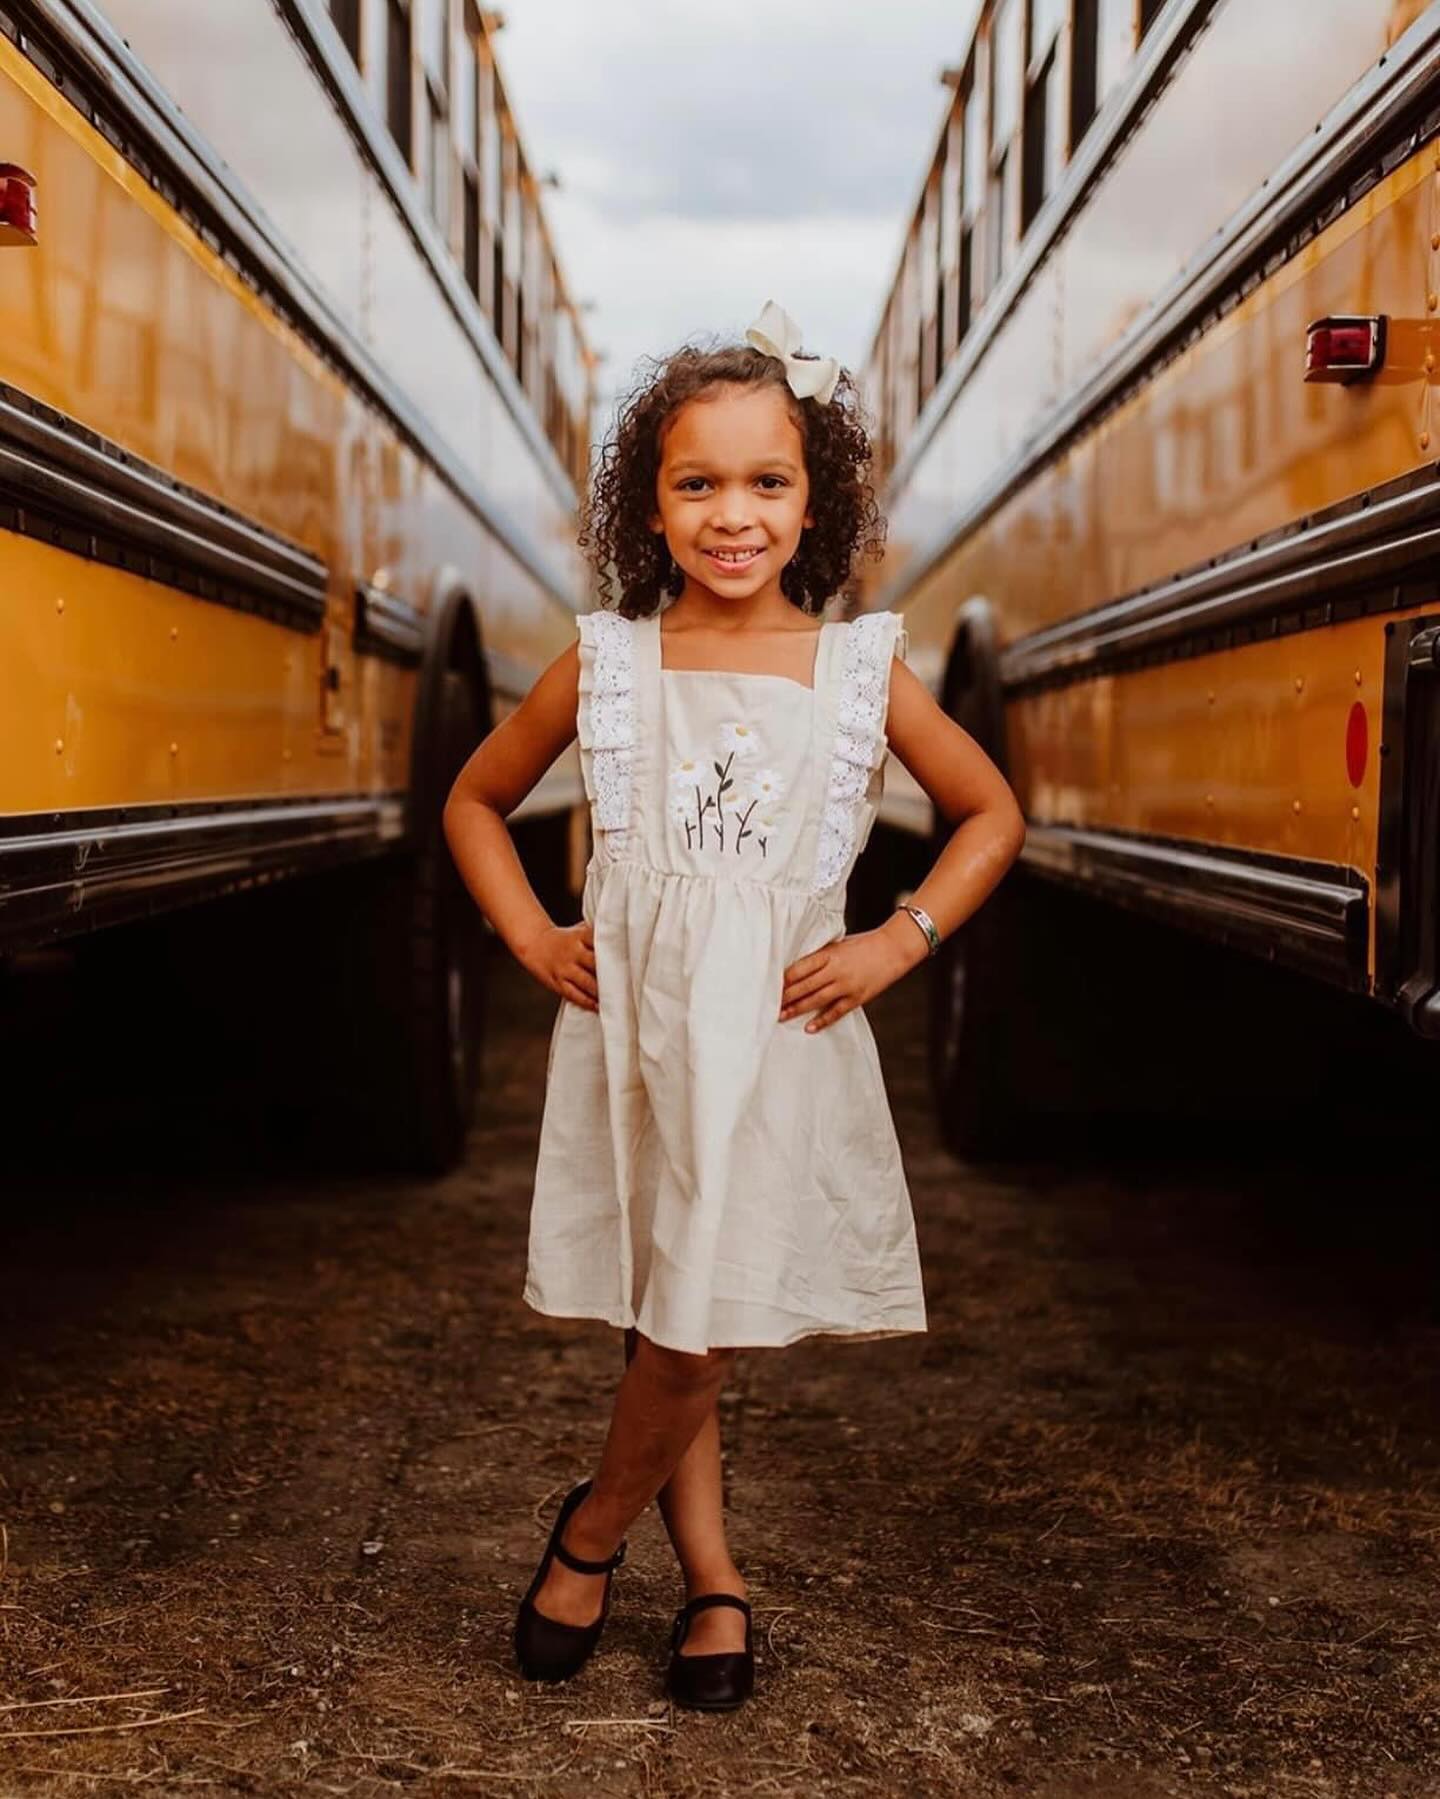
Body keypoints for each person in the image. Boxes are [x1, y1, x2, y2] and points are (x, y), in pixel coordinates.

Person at [442, 300, 1026, 1711]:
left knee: (696, 1320)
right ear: (649, 503)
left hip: (774, 1039)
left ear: (812, 497)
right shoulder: (613, 662)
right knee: (672, 1306)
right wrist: (530, 930)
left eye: (767, 482)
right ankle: (713, 1578)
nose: (732, 515)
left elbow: (989, 810)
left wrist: (899, 940)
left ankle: (587, 1536)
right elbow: (472, 798)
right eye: (696, 483)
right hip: (642, 1033)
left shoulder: (857, 669)